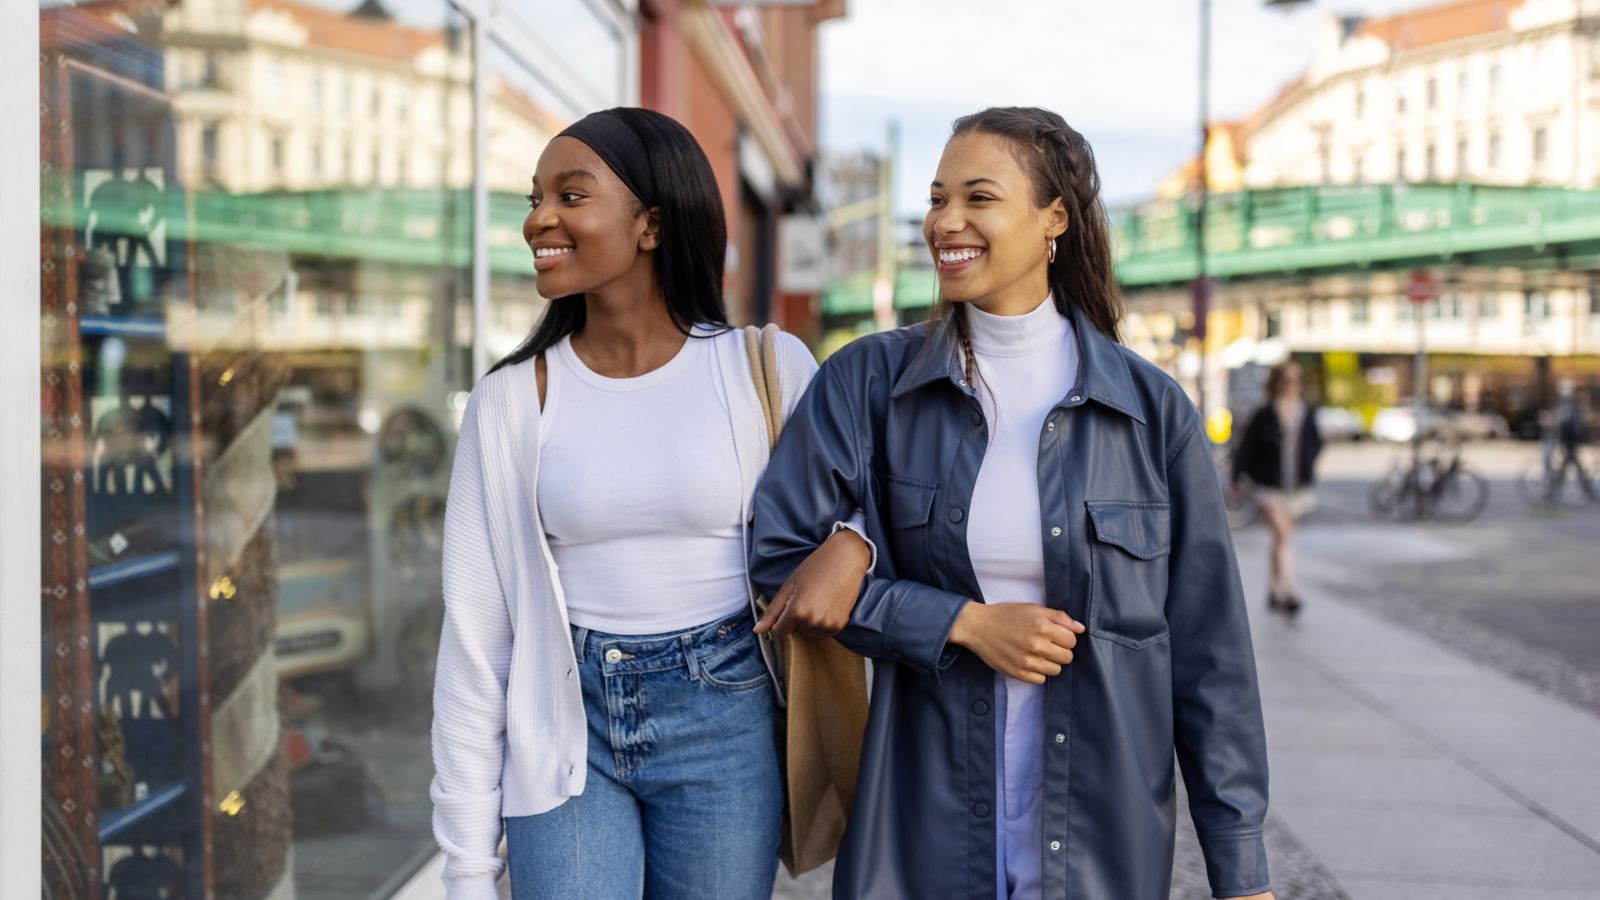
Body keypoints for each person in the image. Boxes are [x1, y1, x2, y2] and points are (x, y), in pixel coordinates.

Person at [750, 107, 1274, 900]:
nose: (944, 222)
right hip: (918, 834)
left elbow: (1211, 656)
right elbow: (779, 558)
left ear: (1053, 218)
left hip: (1102, 842)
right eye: (935, 199)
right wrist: (962, 623)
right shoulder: (867, 384)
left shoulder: (1151, 411)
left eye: (978, 198)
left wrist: (1242, 870)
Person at [428, 108, 871, 900]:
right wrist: (465, 865)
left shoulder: (762, 367)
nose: (538, 220)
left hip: (727, 717)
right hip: (566, 724)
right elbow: (475, 639)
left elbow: (875, 501)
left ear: (651, 225)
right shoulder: (510, 401)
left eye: (570, 195)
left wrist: (852, 544)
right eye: (535, 198)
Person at [1231, 361, 1323, 613]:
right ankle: (1289, 591)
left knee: (1280, 540)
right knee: (1282, 535)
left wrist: (1309, 465)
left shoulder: (1306, 413)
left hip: (1297, 489)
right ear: (1278, 382)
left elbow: (1316, 444)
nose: (1292, 385)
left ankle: (1272, 587)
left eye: (1296, 380)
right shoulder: (1265, 413)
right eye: (1287, 380)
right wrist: (1238, 477)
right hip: (1267, 487)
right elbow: (1246, 447)